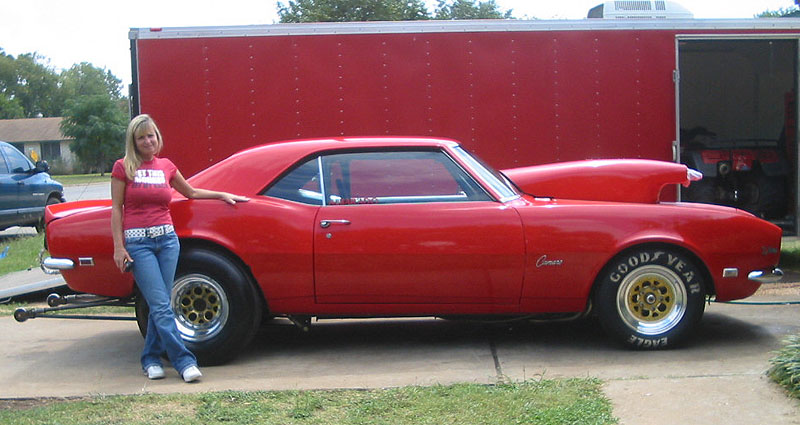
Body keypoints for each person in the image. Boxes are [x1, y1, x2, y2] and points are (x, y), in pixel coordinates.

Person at [111, 114, 249, 382]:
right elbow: (116, 209)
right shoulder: (123, 167)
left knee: (158, 302)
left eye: (151, 135)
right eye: (141, 137)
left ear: (157, 136)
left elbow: (191, 192)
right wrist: (119, 246)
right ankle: (184, 361)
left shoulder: (166, 166)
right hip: (139, 244)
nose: (147, 141)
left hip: (167, 241)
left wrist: (222, 194)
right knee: (162, 305)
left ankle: (150, 358)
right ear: (134, 141)